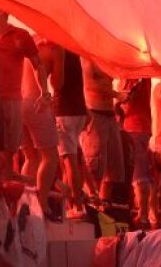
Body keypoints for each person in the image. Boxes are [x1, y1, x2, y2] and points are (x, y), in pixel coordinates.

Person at [20, 35, 63, 220]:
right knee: (50, 157)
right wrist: (60, 58)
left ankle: (25, 201)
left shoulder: (30, 40)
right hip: (38, 103)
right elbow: (58, 83)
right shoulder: (53, 47)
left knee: (30, 158)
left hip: (19, 103)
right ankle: (41, 202)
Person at [0, 10, 42, 161]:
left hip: (12, 100)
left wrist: (44, 92)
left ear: (2, 11)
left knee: (8, 152)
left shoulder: (21, 35)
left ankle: (4, 180)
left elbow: (38, 65)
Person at [81, 58, 125, 203]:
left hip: (109, 114)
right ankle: (90, 205)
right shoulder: (86, 58)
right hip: (94, 112)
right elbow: (91, 84)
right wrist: (117, 95)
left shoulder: (105, 57)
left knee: (112, 170)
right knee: (95, 167)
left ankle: (103, 208)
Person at [52, 46, 88, 212]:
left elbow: (57, 83)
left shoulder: (58, 49)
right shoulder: (73, 50)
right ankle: (69, 204)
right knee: (70, 160)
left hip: (65, 111)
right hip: (78, 110)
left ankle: (77, 205)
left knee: (69, 161)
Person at [119, 77, 154, 227]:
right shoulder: (144, 74)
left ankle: (143, 214)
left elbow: (126, 99)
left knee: (139, 175)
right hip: (143, 127)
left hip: (134, 127)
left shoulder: (132, 74)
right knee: (141, 174)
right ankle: (143, 213)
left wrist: (116, 97)